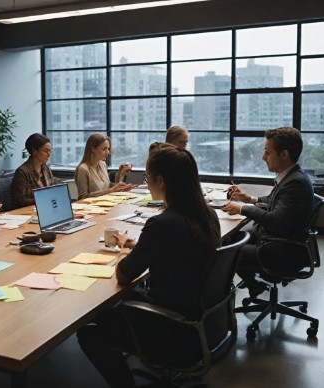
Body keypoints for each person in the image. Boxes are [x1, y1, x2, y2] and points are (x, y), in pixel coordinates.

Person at [77, 142, 221, 388]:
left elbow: (123, 275)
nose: (147, 181)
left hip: (171, 327)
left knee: (89, 329)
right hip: (200, 319)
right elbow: (180, 252)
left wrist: (124, 250)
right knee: (113, 305)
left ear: (162, 181)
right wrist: (140, 247)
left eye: (148, 177)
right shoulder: (208, 215)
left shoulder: (162, 224)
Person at [221, 126, 314, 298]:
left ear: (284, 154)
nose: (263, 157)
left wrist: (241, 208)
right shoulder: (292, 176)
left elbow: (275, 220)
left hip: (280, 250)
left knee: (225, 252)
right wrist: (248, 198)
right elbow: (273, 201)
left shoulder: (295, 184)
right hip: (279, 240)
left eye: (267, 152)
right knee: (231, 238)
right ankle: (253, 287)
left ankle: (223, 301)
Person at [74, 134, 134, 199]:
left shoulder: (102, 164)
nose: (108, 152)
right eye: (104, 149)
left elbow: (107, 186)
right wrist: (111, 190)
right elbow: (83, 197)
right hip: (92, 207)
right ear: (93, 149)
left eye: (108, 148)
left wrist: (121, 187)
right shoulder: (82, 169)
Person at [10, 133, 58, 207]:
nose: (49, 154)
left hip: (45, 208)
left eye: (50, 151)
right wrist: (43, 199)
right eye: (45, 151)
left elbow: (52, 189)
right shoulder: (22, 172)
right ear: (34, 151)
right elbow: (19, 201)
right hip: (28, 212)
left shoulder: (45, 168)